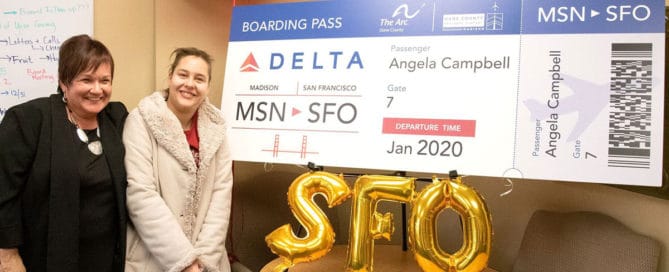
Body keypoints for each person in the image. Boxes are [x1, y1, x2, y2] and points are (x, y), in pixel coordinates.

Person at [0, 34, 128, 272]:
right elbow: (3, 192)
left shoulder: (117, 118)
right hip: (44, 258)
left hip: (107, 259)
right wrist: (7, 256)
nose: (97, 90)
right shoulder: (28, 120)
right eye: (86, 80)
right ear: (64, 82)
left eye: (105, 80)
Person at [123, 47, 232, 272]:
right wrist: (185, 262)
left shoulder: (217, 129)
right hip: (154, 259)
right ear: (170, 77)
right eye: (183, 75)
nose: (189, 84)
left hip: (207, 263)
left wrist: (203, 261)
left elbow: (221, 196)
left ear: (208, 86)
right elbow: (141, 195)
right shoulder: (140, 121)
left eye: (199, 78)